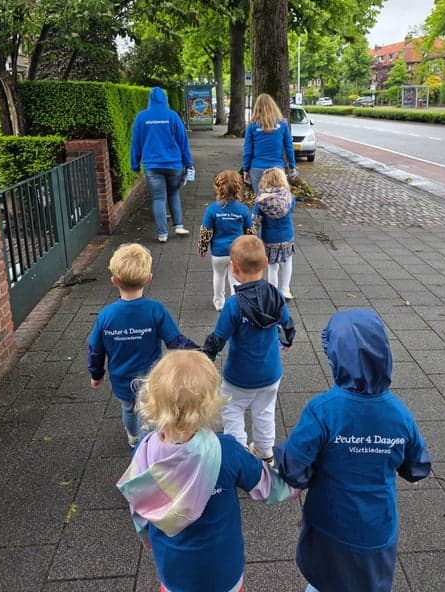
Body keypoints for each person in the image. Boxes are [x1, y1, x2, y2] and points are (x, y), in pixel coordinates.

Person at [274, 308, 432, 592]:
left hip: (330, 526)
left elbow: (295, 468)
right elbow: (417, 467)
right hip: (378, 528)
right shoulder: (400, 415)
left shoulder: (322, 411)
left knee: (323, 583)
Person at [117, 350, 297, 592]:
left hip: (173, 570)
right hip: (223, 570)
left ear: (152, 398)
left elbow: (139, 504)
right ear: (209, 405)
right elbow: (271, 487)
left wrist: (147, 538)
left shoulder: (144, 451)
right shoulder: (227, 451)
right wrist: (300, 478)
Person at [88, 243, 198, 448]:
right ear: (148, 278)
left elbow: (95, 349)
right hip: (151, 378)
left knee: (128, 408)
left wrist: (96, 374)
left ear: (114, 281)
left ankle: (133, 437)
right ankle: (150, 443)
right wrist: (199, 354)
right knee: (151, 410)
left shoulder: (106, 316)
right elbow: (176, 342)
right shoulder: (156, 310)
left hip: (121, 378)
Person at [203, 235, 295, 463]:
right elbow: (288, 325)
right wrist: (286, 342)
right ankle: (265, 452)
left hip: (238, 376)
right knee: (264, 412)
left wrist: (205, 358)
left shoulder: (234, 305)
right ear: (265, 263)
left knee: (232, 410)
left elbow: (218, 338)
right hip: (271, 373)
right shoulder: (277, 296)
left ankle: (239, 454)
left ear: (233, 268)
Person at [130, 86, 194, 243]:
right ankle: (178, 226)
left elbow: (136, 143)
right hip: (174, 164)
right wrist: (188, 163)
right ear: (165, 99)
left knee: (158, 198)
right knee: (173, 193)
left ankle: (162, 234)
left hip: (152, 165)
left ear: (150, 99)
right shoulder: (172, 116)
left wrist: (135, 164)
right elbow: (183, 141)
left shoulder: (141, 117)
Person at [197, 169, 255, 311]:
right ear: (238, 188)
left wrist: (202, 249)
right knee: (235, 278)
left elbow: (205, 232)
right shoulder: (243, 210)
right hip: (237, 252)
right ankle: (236, 302)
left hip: (218, 252)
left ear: (218, 187)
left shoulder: (212, 210)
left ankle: (219, 302)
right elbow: (250, 232)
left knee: (218, 275)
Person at [252, 166, 296, 300]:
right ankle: (286, 289)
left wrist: (252, 235)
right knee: (287, 262)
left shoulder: (260, 201)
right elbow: (291, 209)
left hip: (270, 238)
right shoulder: (289, 197)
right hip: (287, 236)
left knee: (272, 266)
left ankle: (273, 292)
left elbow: (255, 220)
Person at [242, 92, 297, 195]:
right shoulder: (283, 124)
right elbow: (289, 147)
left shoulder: (252, 126)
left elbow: (247, 150)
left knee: (260, 199)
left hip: (257, 168)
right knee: (277, 199)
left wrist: (245, 169)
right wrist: (292, 166)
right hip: (277, 169)